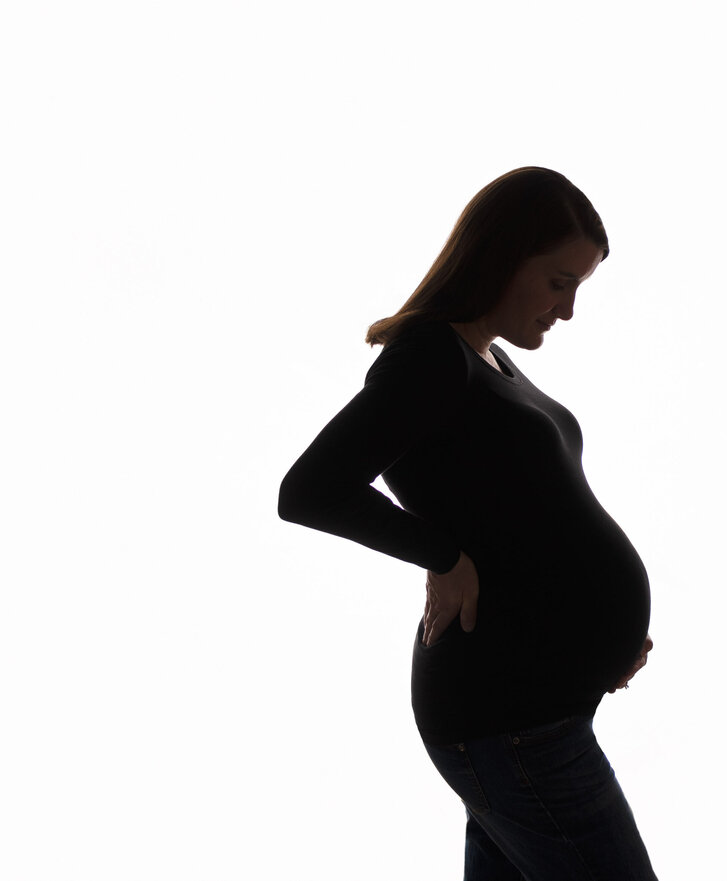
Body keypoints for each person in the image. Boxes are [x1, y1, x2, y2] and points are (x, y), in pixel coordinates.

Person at [278, 166, 657, 880]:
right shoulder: (429, 357)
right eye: (557, 282)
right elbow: (310, 489)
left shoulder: (493, 360)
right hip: (509, 718)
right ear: (502, 255)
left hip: (534, 712)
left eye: (578, 287)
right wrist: (440, 552)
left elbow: (518, 519)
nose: (568, 309)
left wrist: (602, 643)